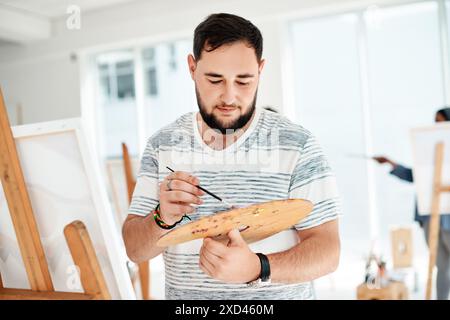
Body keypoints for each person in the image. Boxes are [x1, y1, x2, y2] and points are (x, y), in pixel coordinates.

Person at [122, 13, 341, 300]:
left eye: (244, 81)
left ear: (260, 70)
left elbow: (328, 250)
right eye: (214, 80)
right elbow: (135, 251)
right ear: (192, 67)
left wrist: (259, 267)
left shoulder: (298, 145)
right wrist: (162, 218)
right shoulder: (162, 146)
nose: (229, 97)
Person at [373, 107, 450, 300]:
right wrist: (391, 163)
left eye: (441, 122)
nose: (436, 126)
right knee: (441, 267)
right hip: (429, 217)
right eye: (435, 121)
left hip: (447, 216)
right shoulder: (429, 153)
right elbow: (413, 175)